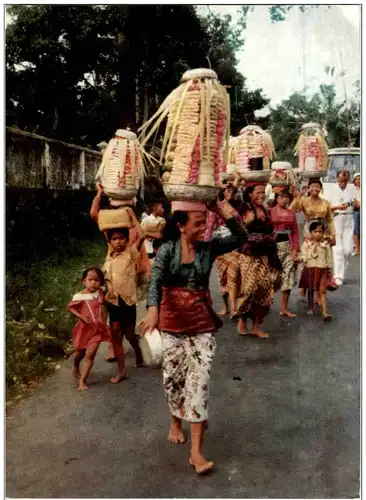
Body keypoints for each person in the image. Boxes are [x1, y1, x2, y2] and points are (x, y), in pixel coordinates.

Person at [140, 199, 247, 475]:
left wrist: (219, 208)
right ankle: (176, 419)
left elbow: (240, 236)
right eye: (198, 222)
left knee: (198, 383)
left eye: (205, 221)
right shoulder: (166, 251)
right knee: (172, 380)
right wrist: (152, 311)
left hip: (201, 324)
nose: (204, 226)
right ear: (181, 225)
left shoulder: (208, 248)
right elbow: (156, 282)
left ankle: (196, 452)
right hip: (172, 324)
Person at [90, 183, 152, 362]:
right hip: (112, 294)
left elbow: (141, 236)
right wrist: (99, 193)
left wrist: (132, 215)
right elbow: (94, 214)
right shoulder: (110, 245)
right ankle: (116, 354)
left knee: (129, 331)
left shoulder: (130, 246)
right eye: (114, 239)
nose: (117, 241)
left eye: (120, 239)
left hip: (128, 291)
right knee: (114, 328)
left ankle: (136, 350)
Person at [236, 183, 282, 339]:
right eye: (258, 192)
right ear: (250, 193)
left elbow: (270, 230)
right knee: (249, 289)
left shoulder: (265, 210)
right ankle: (242, 319)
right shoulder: (245, 209)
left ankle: (256, 326)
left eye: (263, 192)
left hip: (264, 254)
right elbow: (242, 229)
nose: (261, 195)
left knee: (265, 290)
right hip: (248, 255)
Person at [289, 178, 336, 297]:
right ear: (309, 188)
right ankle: (305, 285)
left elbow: (330, 220)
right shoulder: (304, 201)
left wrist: (333, 235)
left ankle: (320, 292)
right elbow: (292, 210)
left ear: (321, 188)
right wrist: (299, 195)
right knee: (308, 260)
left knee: (323, 260)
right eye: (312, 186)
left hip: (323, 231)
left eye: (317, 186)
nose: (315, 188)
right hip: (309, 231)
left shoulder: (325, 202)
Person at [68, 267, 110, 391]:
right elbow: (71, 308)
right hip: (84, 329)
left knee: (90, 354)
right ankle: (75, 365)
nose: (93, 283)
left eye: (97, 280)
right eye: (90, 280)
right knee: (80, 353)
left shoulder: (99, 293)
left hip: (97, 329)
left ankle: (82, 381)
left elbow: (105, 299)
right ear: (84, 282)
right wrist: (81, 317)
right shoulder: (79, 296)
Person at [270, 190, 300, 318]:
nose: (284, 200)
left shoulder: (291, 214)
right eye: (282, 197)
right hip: (273, 247)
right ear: (276, 198)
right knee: (272, 277)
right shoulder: (270, 212)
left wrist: (295, 250)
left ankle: (284, 308)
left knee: (288, 275)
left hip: (288, 246)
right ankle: (265, 304)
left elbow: (295, 232)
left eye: (287, 197)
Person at [326, 170, 357, 286]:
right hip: (337, 218)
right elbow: (327, 207)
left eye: (344, 181)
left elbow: (356, 203)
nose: (342, 183)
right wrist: (338, 207)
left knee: (348, 250)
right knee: (338, 249)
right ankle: (338, 275)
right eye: (340, 181)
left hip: (349, 218)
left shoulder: (352, 188)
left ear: (348, 180)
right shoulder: (331, 189)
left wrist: (355, 204)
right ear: (337, 179)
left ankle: (341, 270)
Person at [300, 221, 333, 321]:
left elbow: (329, 257)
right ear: (311, 232)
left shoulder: (325, 244)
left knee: (322, 291)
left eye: (320, 231)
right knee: (311, 289)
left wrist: (330, 270)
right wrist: (300, 260)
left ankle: (325, 312)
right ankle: (310, 307)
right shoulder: (307, 244)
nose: (318, 234)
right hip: (310, 269)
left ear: (323, 232)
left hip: (322, 269)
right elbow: (304, 256)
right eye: (315, 231)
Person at [353, 173, 361, 256]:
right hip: (356, 210)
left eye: (360, 178)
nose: (359, 180)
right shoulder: (352, 189)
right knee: (356, 229)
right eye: (357, 179)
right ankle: (357, 248)